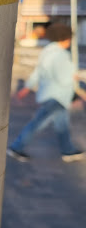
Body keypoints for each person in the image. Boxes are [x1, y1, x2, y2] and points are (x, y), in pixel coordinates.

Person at [7, 23, 85, 163]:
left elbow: (38, 71)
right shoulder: (61, 55)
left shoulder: (47, 51)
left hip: (49, 94)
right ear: (65, 39)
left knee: (62, 124)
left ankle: (68, 151)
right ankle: (16, 147)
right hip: (57, 96)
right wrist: (77, 77)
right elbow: (64, 79)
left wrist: (28, 86)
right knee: (37, 123)